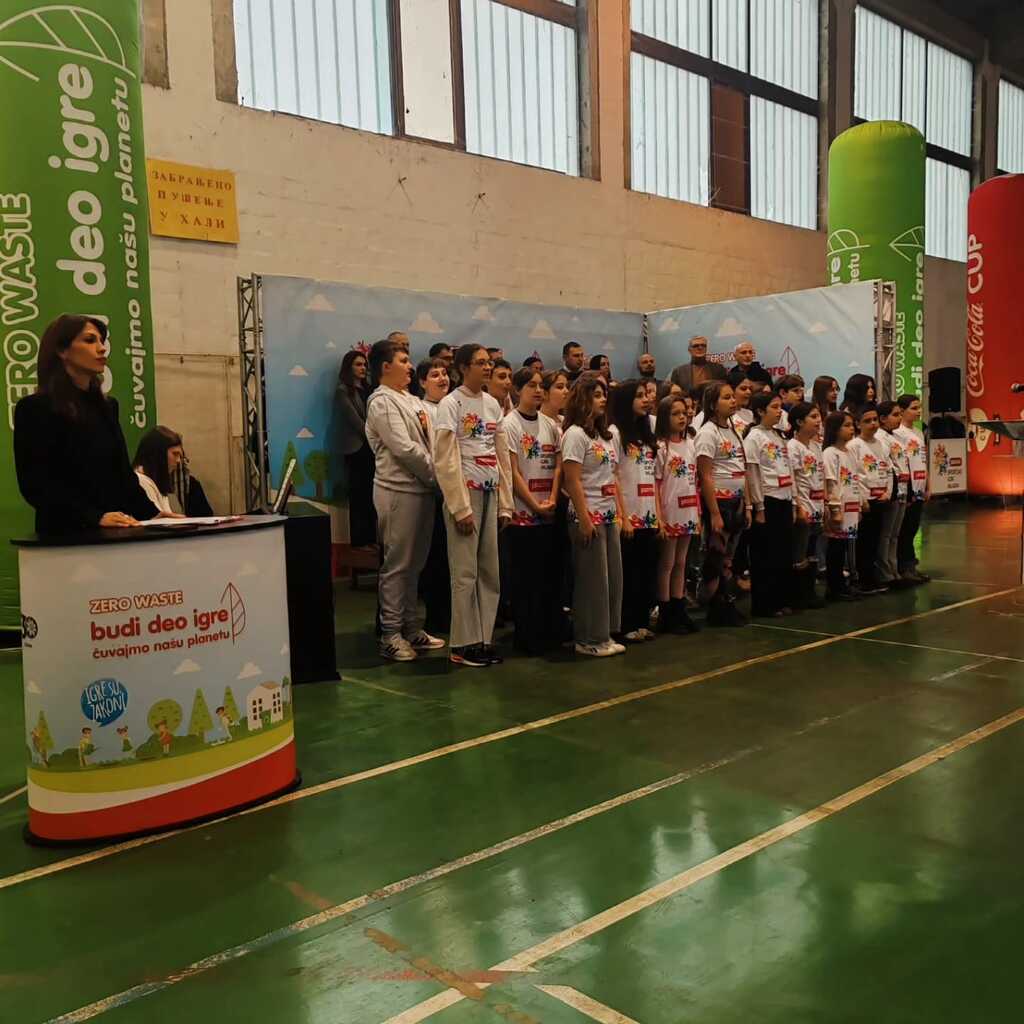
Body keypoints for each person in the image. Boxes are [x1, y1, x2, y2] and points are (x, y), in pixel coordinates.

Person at [14, 314, 159, 533]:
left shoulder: (108, 406)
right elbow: (36, 484)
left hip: (115, 531)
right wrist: (94, 517)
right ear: (62, 351)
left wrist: (154, 515)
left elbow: (122, 474)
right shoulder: (35, 408)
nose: (102, 348)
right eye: (90, 340)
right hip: (65, 534)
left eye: (102, 341)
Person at [434, 344, 513, 667]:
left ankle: (483, 639)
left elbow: (501, 454)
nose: (487, 367)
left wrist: (506, 504)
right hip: (466, 495)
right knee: (464, 572)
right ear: (463, 368)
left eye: (489, 362)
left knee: (489, 571)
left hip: (491, 492)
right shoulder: (450, 404)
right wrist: (459, 507)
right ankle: (462, 644)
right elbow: (444, 458)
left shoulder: (493, 404)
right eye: (480, 363)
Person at [365, 339, 444, 662]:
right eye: (403, 360)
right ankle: (390, 634)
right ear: (385, 367)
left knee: (415, 565)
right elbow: (404, 448)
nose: (410, 366)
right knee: (397, 565)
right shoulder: (381, 402)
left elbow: (432, 441)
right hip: (397, 491)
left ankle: (411, 627)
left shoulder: (412, 400)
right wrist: (437, 475)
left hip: (423, 490)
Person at [561, 372, 626, 658]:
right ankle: (587, 638)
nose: (602, 400)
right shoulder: (575, 435)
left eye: (604, 395)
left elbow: (613, 475)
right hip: (588, 515)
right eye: (596, 395)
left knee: (611, 578)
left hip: (609, 514)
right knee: (592, 581)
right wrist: (585, 518)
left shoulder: (607, 435)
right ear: (583, 399)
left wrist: (620, 514)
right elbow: (572, 480)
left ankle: (604, 633)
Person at [500, 368, 563, 654]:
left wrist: (552, 498)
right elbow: (512, 472)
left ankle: (548, 631)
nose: (537, 390)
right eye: (530, 385)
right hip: (523, 515)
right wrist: (534, 504)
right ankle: (526, 636)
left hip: (549, 511)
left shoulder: (550, 425)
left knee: (548, 578)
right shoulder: (509, 424)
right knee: (525, 580)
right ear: (517, 389)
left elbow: (558, 466)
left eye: (540, 386)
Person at [609, 380, 661, 642]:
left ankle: (641, 621)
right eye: (639, 396)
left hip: (648, 512)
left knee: (645, 570)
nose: (646, 399)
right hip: (628, 514)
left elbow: (654, 477)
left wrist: (658, 515)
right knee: (628, 573)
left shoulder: (647, 433)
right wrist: (623, 516)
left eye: (646, 395)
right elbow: (613, 476)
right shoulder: (615, 433)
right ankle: (625, 624)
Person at [695, 381, 749, 626]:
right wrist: (714, 513)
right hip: (720, 501)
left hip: (736, 500)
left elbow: (741, 467)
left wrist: (746, 504)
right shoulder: (708, 433)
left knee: (729, 557)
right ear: (713, 405)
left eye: (732, 396)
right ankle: (714, 603)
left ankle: (726, 601)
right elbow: (705, 475)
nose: (733, 401)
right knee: (715, 555)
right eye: (726, 398)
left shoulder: (733, 430)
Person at [743, 393, 795, 618]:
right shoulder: (754, 437)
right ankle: (764, 604)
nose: (779, 411)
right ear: (760, 411)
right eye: (774, 407)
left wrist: (793, 501)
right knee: (765, 554)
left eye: (780, 407)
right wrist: (759, 506)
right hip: (767, 500)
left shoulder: (778, 436)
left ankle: (781, 598)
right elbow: (752, 473)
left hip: (784, 498)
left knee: (783, 552)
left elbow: (787, 468)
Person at [654, 395, 700, 634]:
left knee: (682, 562)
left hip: (688, 509)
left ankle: (679, 606)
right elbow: (656, 484)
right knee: (667, 563)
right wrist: (659, 516)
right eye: (675, 414)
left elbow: (694, 480)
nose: (682, 417)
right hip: (669, 510)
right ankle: (665, 611)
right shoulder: (661, 447)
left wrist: (698, 512)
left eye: (684, 413)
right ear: (664, 417)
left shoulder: (690, 444)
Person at [417, 358, 452, 635]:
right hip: (434, 491)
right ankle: (436, 617)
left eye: (444, 373)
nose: (442, 378)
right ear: (422, 382)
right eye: (434, 375)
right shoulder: (421, 411)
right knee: (435, 557)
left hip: (456, 491)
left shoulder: (454, 406)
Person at [848, 402, 892, 595]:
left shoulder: (881, 444)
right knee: (862, 541)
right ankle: (860, 578)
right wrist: (862, 498)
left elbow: (888, 469)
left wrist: (887, 491)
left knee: (874, 540)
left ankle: (871, 575)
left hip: (880, 498)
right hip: (864, 501)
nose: (873, 423)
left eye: (875, 420)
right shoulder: (854, 446)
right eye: (867, 421)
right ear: (858, 424)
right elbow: (853, 475)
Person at [786, 402, 826, 609]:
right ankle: (798, 594)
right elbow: (792, 478)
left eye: (819, 416)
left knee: (812, 551)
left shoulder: (816, 446)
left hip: (817, 505)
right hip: (804, 506)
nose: (818, 421)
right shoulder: (793, 447)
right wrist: (798, 506)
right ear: (800, 422)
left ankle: (810, 591)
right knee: (799, 552)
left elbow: (820, 477)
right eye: (813, 417)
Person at [335, 349, 376, 548]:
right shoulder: (343, 390)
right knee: (358, 495)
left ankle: (371, 539)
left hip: (371, 448)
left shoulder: (369, 389)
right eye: (358, 364)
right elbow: (354, 420)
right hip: (356, 448)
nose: (363, 368)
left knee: (371, 495)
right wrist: (374, 436)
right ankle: (359, 542)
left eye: (364, 364)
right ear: (348, 367)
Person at [822, 411, 862, 601]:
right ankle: (834, 587)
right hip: (839, 507)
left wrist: (859, 504)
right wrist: (835, 509)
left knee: (845, 547)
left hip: (852, 505)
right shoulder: (830, 453)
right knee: (836, 548)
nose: (851, 429)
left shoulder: (850, 452)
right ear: (835, 429)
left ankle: (843, 584)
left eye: (852, 425)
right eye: (846, 425)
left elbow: (855, 479)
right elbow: (831, 483)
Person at [894, 394, 931, 584]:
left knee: (914, 527)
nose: (918, 411)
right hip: (907, 488)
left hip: (919, 486)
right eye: (914, 408)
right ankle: (903, 567)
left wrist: (928, 484)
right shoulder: (898, 433)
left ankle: (911, 566)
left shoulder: (918, 431)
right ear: (902, 411)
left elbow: (922, 460)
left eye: (919, 407)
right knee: (905, 529)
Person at [877, 400, 912, 589]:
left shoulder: (896, 437)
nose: (899, 418)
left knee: (895, 535)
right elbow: (888, 466)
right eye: (895, 414)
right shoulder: (880, 438)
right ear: (883, 418)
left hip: (903, 490)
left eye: (900, 414)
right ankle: (886, 573)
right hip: (892, 491)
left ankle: (894, 569)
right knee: (886, 534)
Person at [132, 427, 188, 517]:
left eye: (180, 456)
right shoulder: (140, 481)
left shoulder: (158, 482)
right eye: (175, 454)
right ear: (158, 453)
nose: (178, 461)